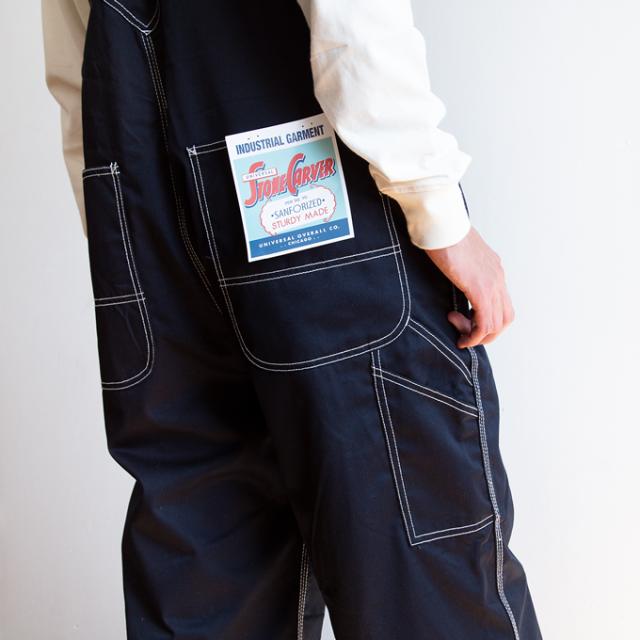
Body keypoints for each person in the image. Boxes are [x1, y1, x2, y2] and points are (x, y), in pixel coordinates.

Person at [42, 1, 543, 638]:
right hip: (315, 202)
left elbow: (76, 65)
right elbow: (352, 17)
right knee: (421, 574)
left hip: (146, 225)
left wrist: (121, 244)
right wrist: (437, 207)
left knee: (209, 569)